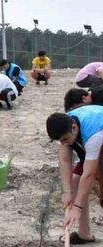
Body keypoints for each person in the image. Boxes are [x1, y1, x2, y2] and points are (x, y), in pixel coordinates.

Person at [46, 105, 103, 245]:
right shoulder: (65, 124)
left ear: (74, 128)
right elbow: (65, 161)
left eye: (65, 139)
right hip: (93, 145)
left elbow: (89, 175)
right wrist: (68, 192)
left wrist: (77, 209)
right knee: (75, 181)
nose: (63, 143)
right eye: (61, 141)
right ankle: (84, 234)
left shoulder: (92, 134)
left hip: (98, 138)